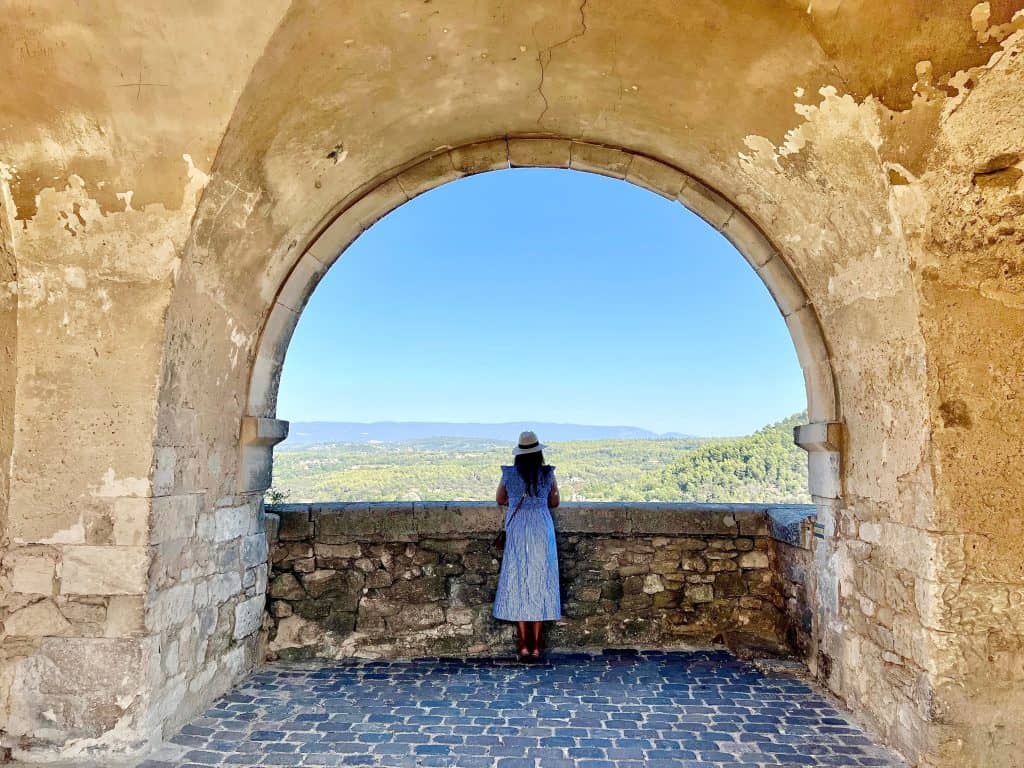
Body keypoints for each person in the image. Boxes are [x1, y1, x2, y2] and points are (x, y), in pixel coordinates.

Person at [492, 430, 562, 661]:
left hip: (518, 529)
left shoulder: (509, 474)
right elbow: (555, 501)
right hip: (541, 528)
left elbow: (500, 499)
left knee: (518, 578)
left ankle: (523, 644)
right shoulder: (547, 473)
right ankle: (537, 645)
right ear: (538, 452)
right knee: (541, 579)